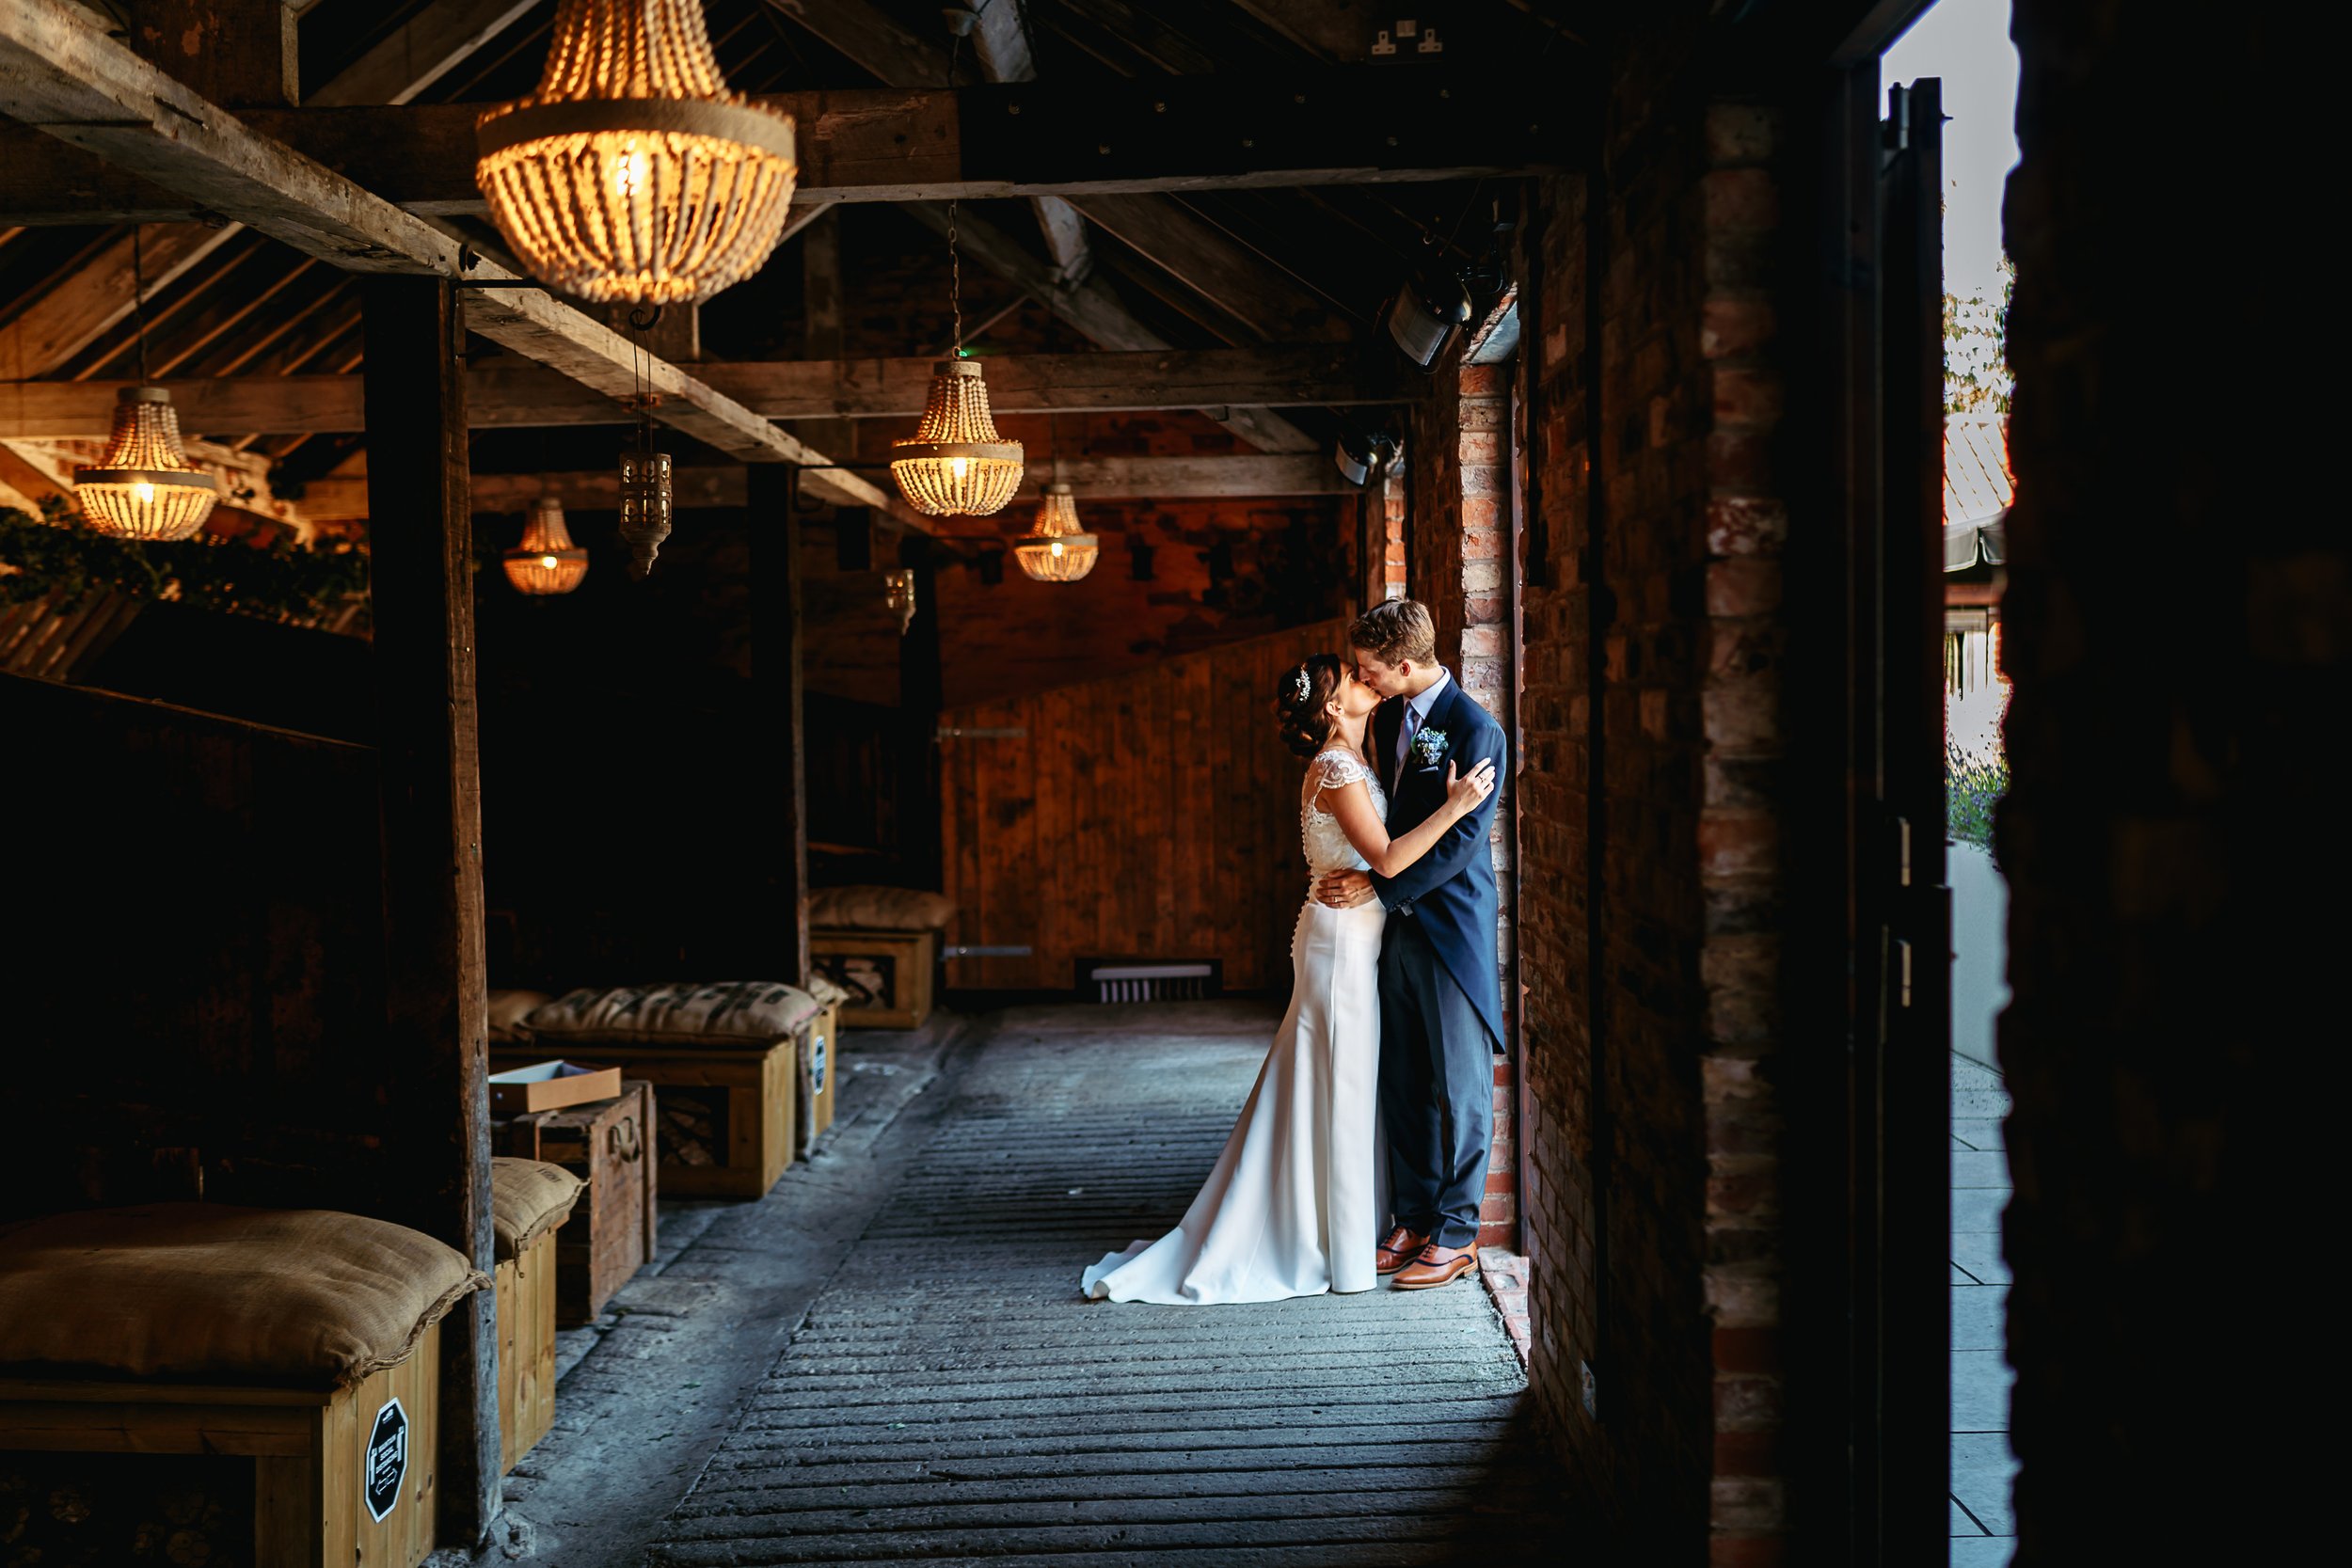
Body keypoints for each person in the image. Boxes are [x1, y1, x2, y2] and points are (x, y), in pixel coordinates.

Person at [1079, 647, 1495, 1304]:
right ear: (1333, 706)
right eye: (1356, 677)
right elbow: (1386, 859)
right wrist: (1458, 805)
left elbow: (1373, 861)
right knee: (1337, 1081)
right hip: (1340, 941)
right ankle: (1320, 1237)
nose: (1369, 680)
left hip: (1360, 935)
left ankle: (1346, 1227)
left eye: (1370, 670)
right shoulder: (1335, 766)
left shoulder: (1366, 750)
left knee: (1337, 1082)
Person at [1313, 599, 1509, 1290]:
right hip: (1392, 931)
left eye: (1370, 668)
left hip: (1448, 928)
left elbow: (1461, 842)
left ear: (1402, 664)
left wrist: (1377, 888)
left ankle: (1458, 1232)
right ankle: (1416, 1213)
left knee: (1461, 1087)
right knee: (1402, 1078)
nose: (1361, 679)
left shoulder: (1476, 729)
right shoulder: (1393, 715)